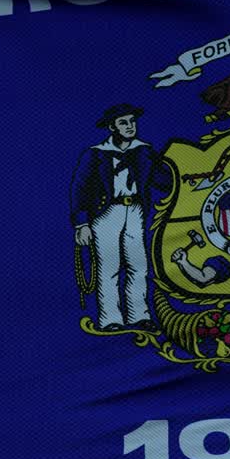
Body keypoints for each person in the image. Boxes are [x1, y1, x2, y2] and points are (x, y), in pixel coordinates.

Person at [71, 104, 169, 331]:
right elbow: (79, 188)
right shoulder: (95, 154)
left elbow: (162, 181)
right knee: (109, 267)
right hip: (106, 213)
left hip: (135, 211)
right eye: (123, 122)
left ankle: (139, 315)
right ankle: (110, 319)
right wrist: (81, 223)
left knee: (138, 265)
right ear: (112, 127)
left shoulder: (144, 151)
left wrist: (188, 178)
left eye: (132, 121)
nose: (130, 126)